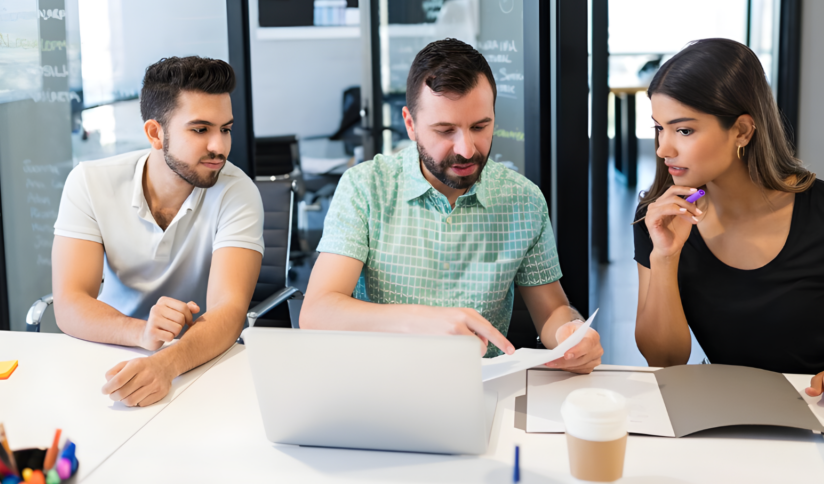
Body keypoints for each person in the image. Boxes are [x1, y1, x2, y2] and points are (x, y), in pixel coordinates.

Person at [634, 38, 824, 425]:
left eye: (683, 131)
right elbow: (664, 361)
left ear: (741, 130)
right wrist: (665, 257)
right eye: (658, 129)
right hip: (726, 414)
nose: (663, 149)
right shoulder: (660, 218)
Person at [301, 38, 603, 373]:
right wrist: (423, 320)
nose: (466, 149)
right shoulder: (366, 187)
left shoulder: (523, 200)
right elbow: (317, 312)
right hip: (381, 383)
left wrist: (570, 333)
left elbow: (551, 311)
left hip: (483, 388)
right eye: (445, 130)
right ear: (410, 124)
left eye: (480, 127)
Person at [52, 56, 264, 407]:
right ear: (155, 133)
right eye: (200, 130)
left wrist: (166, 363)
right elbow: (70, 302)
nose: (220, 146)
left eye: (225, 129)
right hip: (106, 350)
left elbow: (228, 311)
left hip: (197, 360)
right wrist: (142, 333)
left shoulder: (237, 193)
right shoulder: (90, 182)